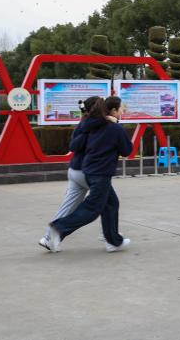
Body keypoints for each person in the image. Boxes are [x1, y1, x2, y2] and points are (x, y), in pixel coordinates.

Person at [47, 96, 132, 253]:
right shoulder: (114, 128)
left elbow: (78, 143)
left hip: (87, 171)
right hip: (100, 173)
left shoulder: (91, 125)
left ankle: (113, 241)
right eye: (121, 108)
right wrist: (117, 128)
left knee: (111, 203)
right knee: (92, 209)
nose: (123, 111)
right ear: (113, 110)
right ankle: (58, 228)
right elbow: (127, 150)